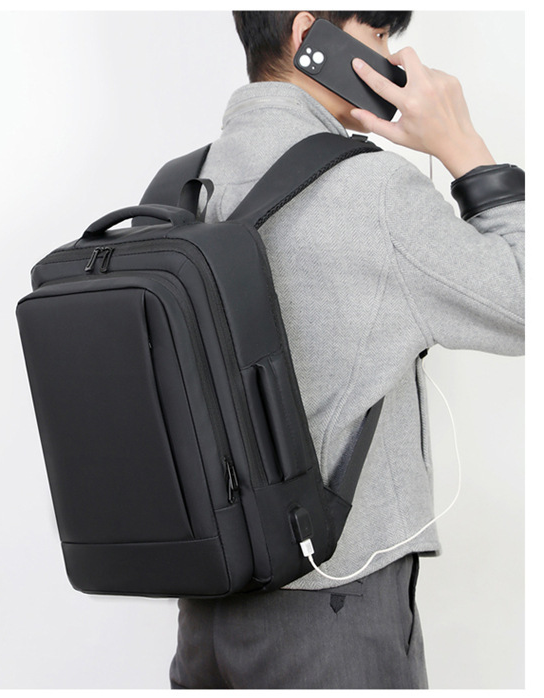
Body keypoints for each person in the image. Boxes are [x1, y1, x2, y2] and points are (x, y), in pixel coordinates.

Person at [168, 11, 524, 690]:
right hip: (333, 611)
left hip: (204, 616)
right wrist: (466, 149)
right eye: (380, 35)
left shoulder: (179, 189)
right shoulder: (372, 191)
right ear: (309, 34)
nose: (396, 59)